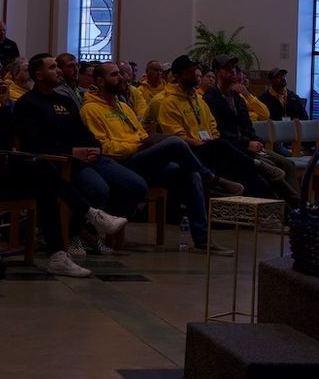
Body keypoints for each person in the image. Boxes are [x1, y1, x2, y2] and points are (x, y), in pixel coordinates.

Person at [0, 53, 118, 277]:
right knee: (41, 172)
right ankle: (90, 215)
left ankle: (59, 255)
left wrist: (5, 108)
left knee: (43, 178)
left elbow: (3, 140)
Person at [81, 61, 222, 253]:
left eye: (120, 74)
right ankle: (211, 178)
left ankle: (202, 239)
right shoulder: (90, 109)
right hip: (119, 163)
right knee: (175, 143)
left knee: (190, 175)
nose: (121, 78)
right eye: (114, 75)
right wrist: (135, 145)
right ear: (99, 81)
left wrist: (147, 141)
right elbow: (103, 147)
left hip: (140, 158)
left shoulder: (123, 106)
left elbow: (140, 134)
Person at [12, 54, 136, 256]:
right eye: (52, 67)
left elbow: (82, 131)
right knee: (99, 190)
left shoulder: (64, 101)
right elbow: (33, 143)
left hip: (86, 157)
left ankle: (90, 229)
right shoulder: (27, 103)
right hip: (59, 162)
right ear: (38, 75)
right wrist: (71, 152)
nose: (59, 70)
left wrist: (95, 147)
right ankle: (75, 233)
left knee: (134, 185)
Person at [148, 55, 260, 196]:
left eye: (195, 70)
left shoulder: (200, 100)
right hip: (190, 150)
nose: (194, 74)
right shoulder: (168, 102)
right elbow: (177, 137)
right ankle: (256, 165)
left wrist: (212, 141)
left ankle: (266, 204)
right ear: (177, 76)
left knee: (244, 170)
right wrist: (204, 144)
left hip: (209, 146)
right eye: (189, 72)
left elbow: (213, 125)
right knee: (225, 150)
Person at [203, 57, 292, 195]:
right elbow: (220, 131)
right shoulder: (210, 97)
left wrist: (256, 141)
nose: (232, 71)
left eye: (233, 68)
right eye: (227, 68)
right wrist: (247, 143)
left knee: (288, 164)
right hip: (233, 147)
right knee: (271, 168)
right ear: (217, 72)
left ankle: (297, 206)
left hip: (248, 145)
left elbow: (248, 125)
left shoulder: (237, 97)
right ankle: (291, 207)